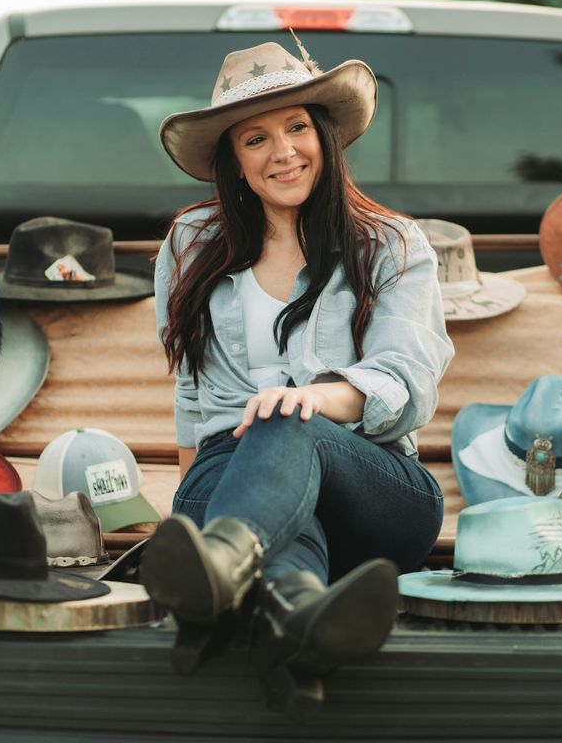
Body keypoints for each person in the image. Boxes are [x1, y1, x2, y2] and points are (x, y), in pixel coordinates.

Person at [143, 39, 453, 681]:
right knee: (275, 494)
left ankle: (225, 564)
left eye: (296, 127)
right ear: (233, 159)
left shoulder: (392, 245)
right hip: (229, 467)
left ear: (325, 136)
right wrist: (193, 501)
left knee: (285, 420)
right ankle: (304, 618)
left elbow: (406, 380)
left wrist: (314, 401)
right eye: (255, 139)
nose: (283, 151)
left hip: (372, 484)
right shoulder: (190, 244)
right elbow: (192, 397)